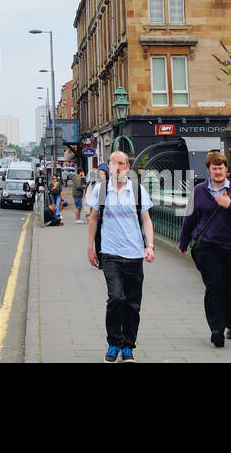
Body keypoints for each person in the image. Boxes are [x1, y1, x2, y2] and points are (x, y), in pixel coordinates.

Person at [177, 150, 231, 347]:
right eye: (214, 168)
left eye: (221, 168)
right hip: (208, 247)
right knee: (215, 286)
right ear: (208, 170)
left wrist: (230, 205)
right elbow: (190, 218)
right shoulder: (199, 191)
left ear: (226, 169)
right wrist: (183, 242)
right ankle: (216, 329)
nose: (218, 172)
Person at [86, 151, 155, 362]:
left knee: (133, 304)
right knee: (116, 298)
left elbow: (146, 219)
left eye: (121, 163)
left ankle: (128, 347)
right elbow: (93, 219)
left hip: (134, 254)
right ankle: (114, 343)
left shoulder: (137, 190)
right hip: (110, 253)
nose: (116, 167)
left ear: (127, 167)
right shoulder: (100, 189)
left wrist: (149, 245)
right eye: (113, 163)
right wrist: (90, 248)